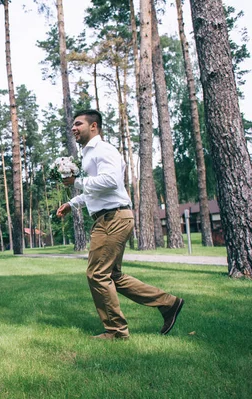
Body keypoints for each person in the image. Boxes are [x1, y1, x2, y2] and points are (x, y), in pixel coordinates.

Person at [56, 109, 184, 340]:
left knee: (97, 274)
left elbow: (110, 181)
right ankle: (168, 303)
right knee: (112, 276)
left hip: (112, 219)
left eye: (78, 124)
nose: (73, 128)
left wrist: (76, 183)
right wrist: (72, 203)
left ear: (93, 126)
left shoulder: (103, 149)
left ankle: (116, 331)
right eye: (73, 125)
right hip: (110, 216)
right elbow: (97, 191)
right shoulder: (88, 154)